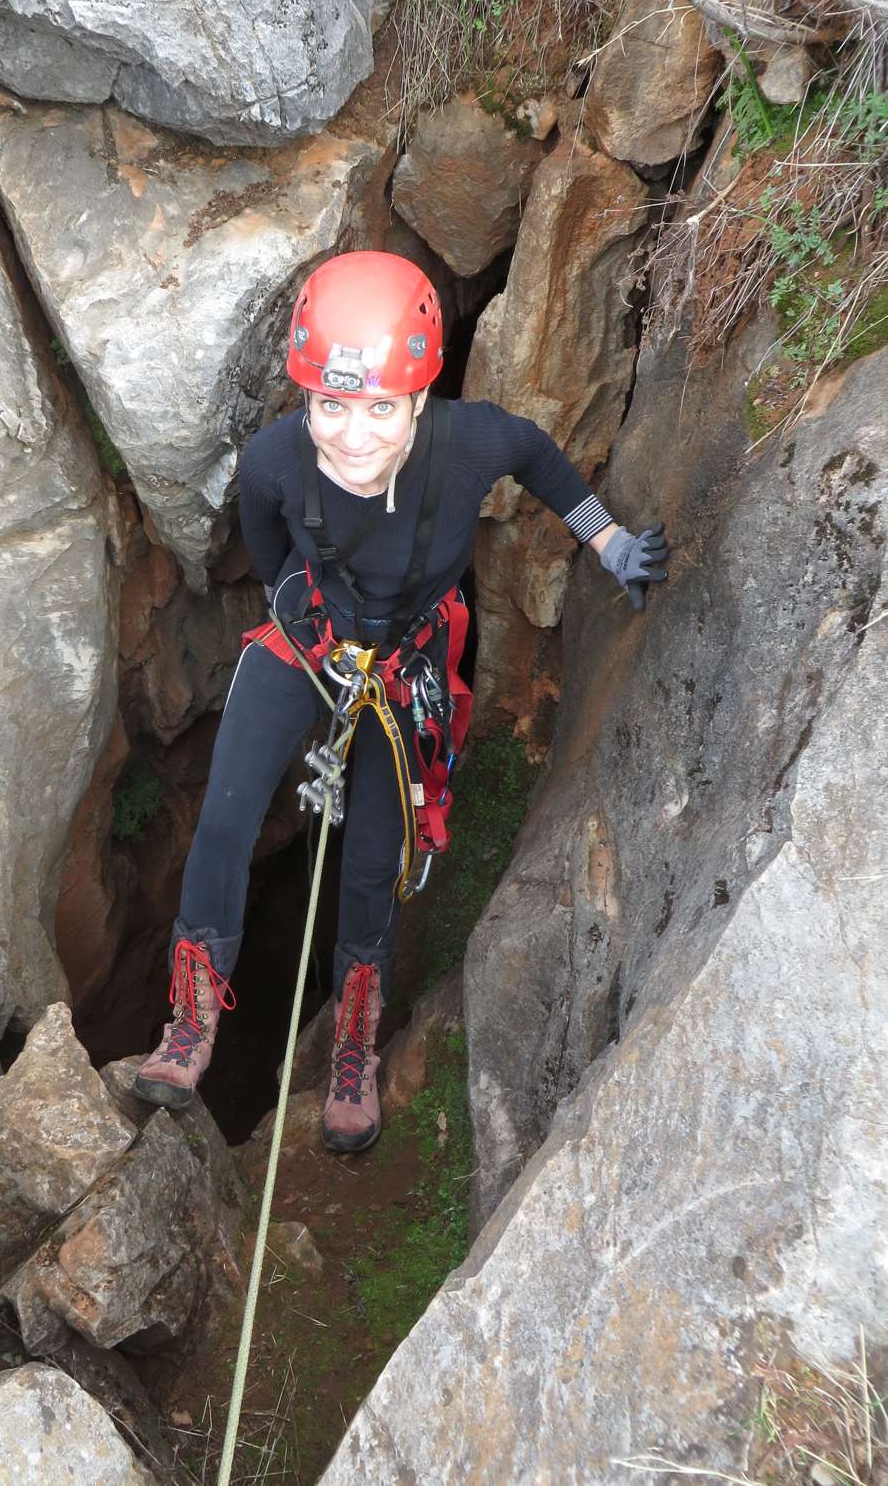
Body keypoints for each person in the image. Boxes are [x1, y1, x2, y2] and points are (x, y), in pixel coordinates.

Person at [132, 251, 667, 1152]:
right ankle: (190, 1021)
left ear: (419, 400)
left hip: (407, 659)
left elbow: (538, 458)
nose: (352, 436)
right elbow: (266, 539)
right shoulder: (275, 459)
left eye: (380, 408)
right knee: (224, 817)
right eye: (330, 406)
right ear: (306, 399)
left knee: (374, 857)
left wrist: (606, 540)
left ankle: (354, 1044)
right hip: (308, 639)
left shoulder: (468, 444)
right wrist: (306, 614)